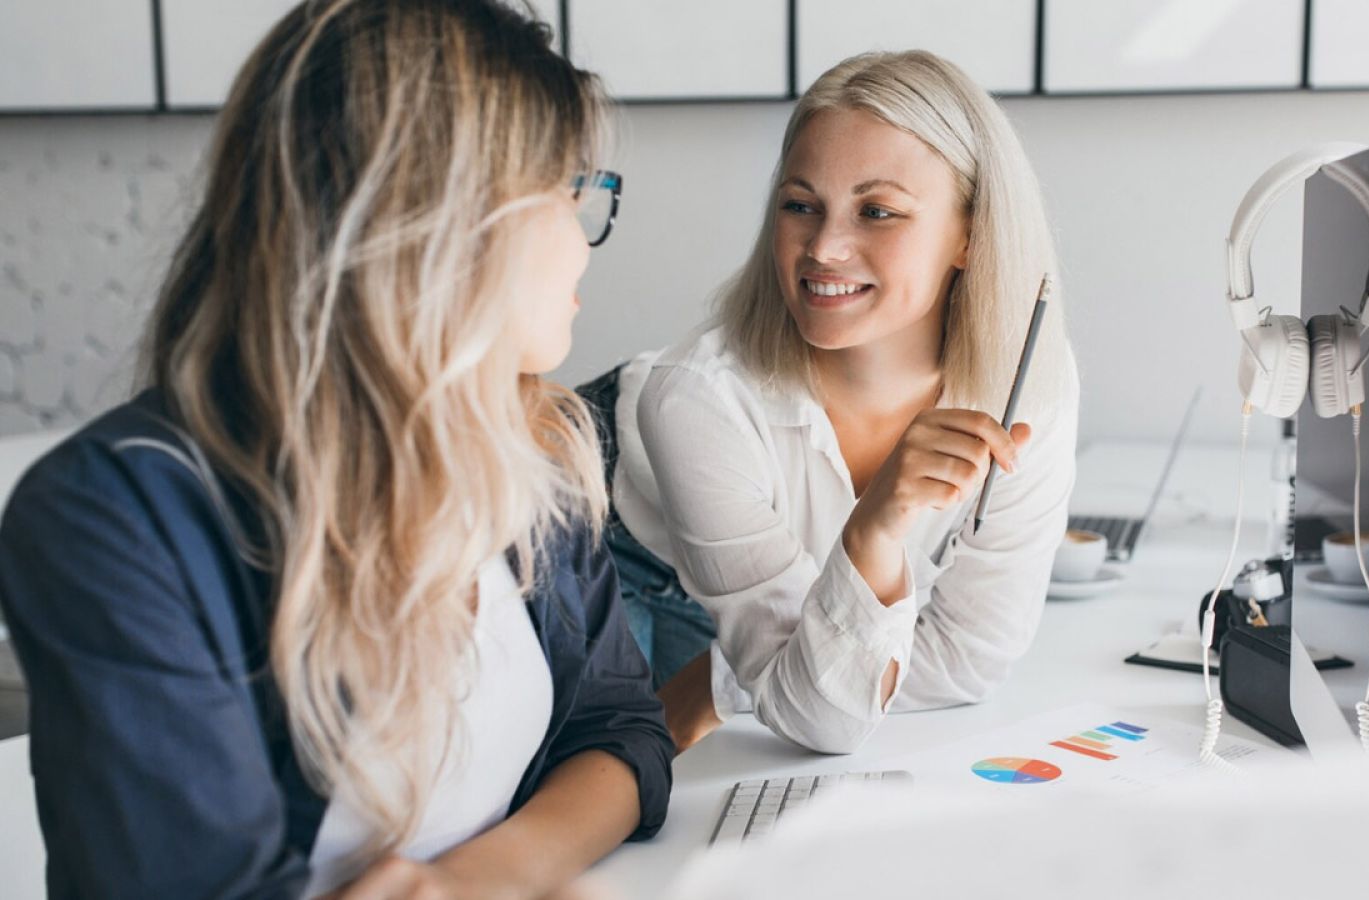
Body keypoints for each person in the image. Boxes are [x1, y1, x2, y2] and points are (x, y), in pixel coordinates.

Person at [0, 1, 672, 896]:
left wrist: (490, 876)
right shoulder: (119, 519)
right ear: (443, 225)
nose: (586, 238)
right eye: (567, 190)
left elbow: (620, 727)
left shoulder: (534, 451)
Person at [581, 50, 1078, 755]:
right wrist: (873, 535)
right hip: (615, 540)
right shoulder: (697, 397)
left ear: (970, 233)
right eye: (800, 206)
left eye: (877, 211)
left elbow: (971, 657)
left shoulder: (1031, 386)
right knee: (599, 785)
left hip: (780, 589)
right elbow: (824, 719)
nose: (825, 247)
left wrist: (737, 680)